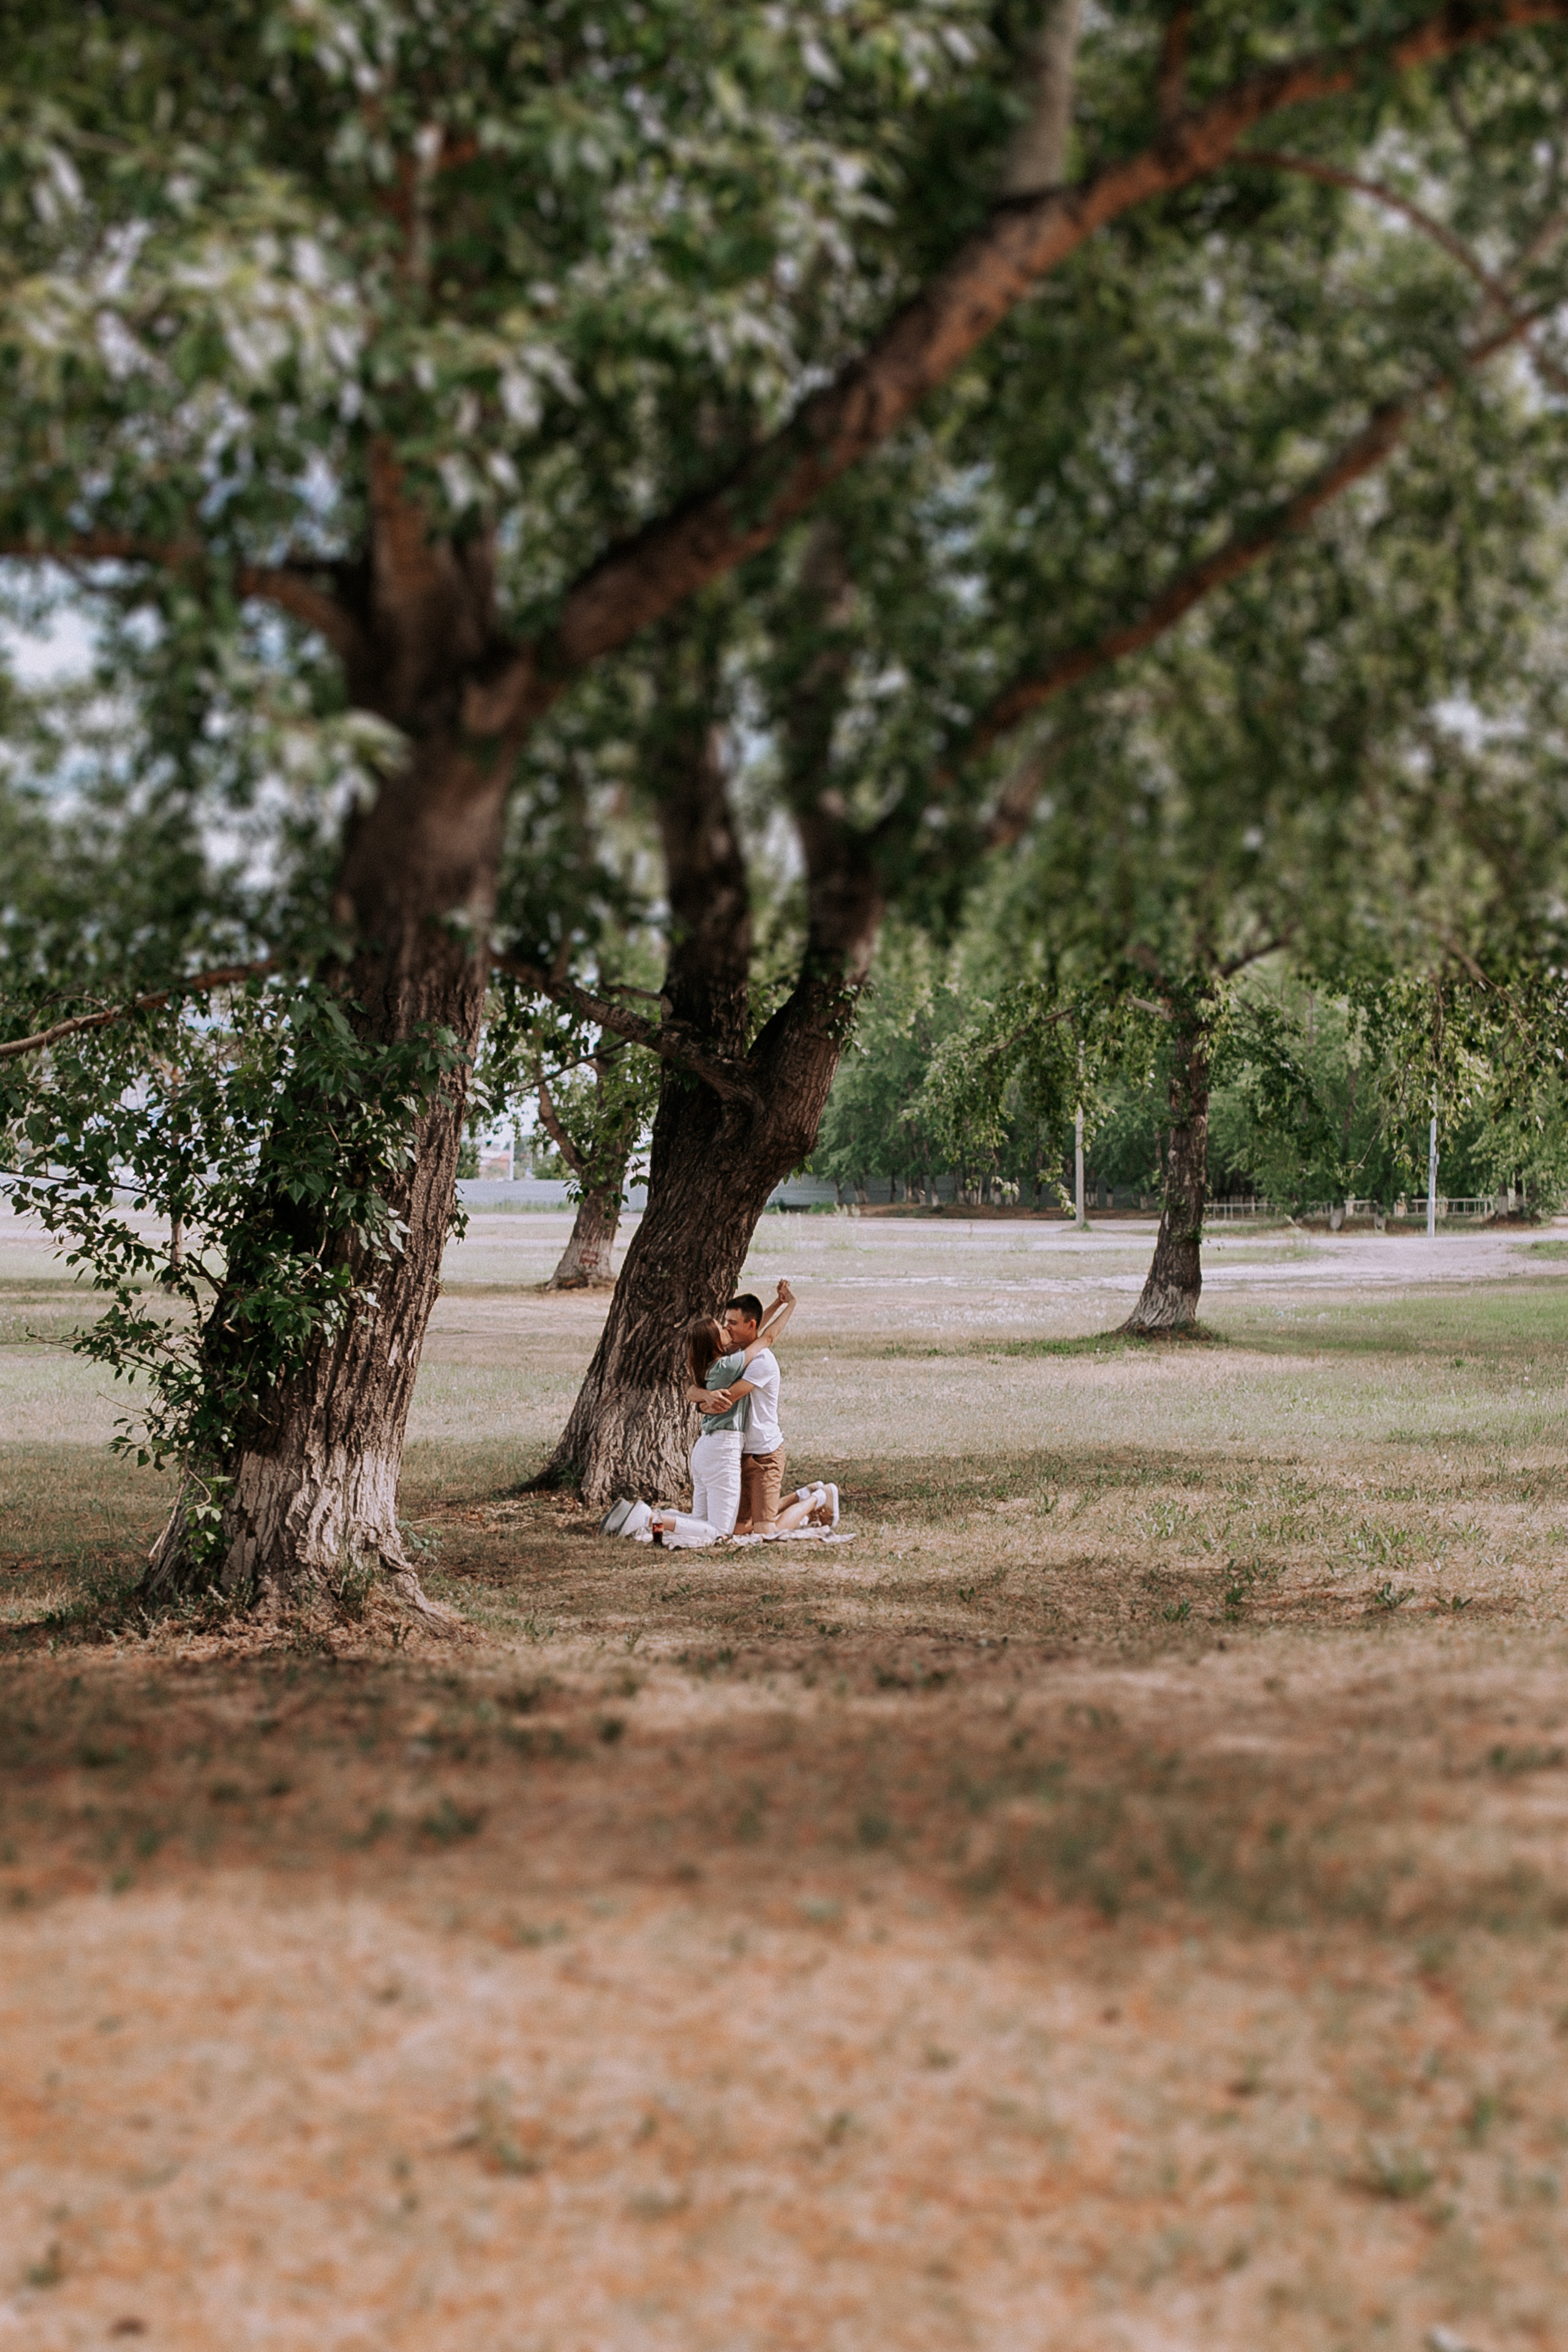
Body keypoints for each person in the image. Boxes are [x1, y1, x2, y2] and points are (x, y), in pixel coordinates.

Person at [598, 1283, 795, 1547]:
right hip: (724, 1450)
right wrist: (791, 1304)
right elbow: (765, 1336)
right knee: (720, 1531)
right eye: (724, 1326)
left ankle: (644, 1518)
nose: (727, 1328)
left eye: (731, 1324)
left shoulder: (716, 1362)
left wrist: (778, 1303)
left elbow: (755, 1330)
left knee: (700, 1520)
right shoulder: (731, 1363)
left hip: (713, 1448)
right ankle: (648, 1517)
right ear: (716, 1341)